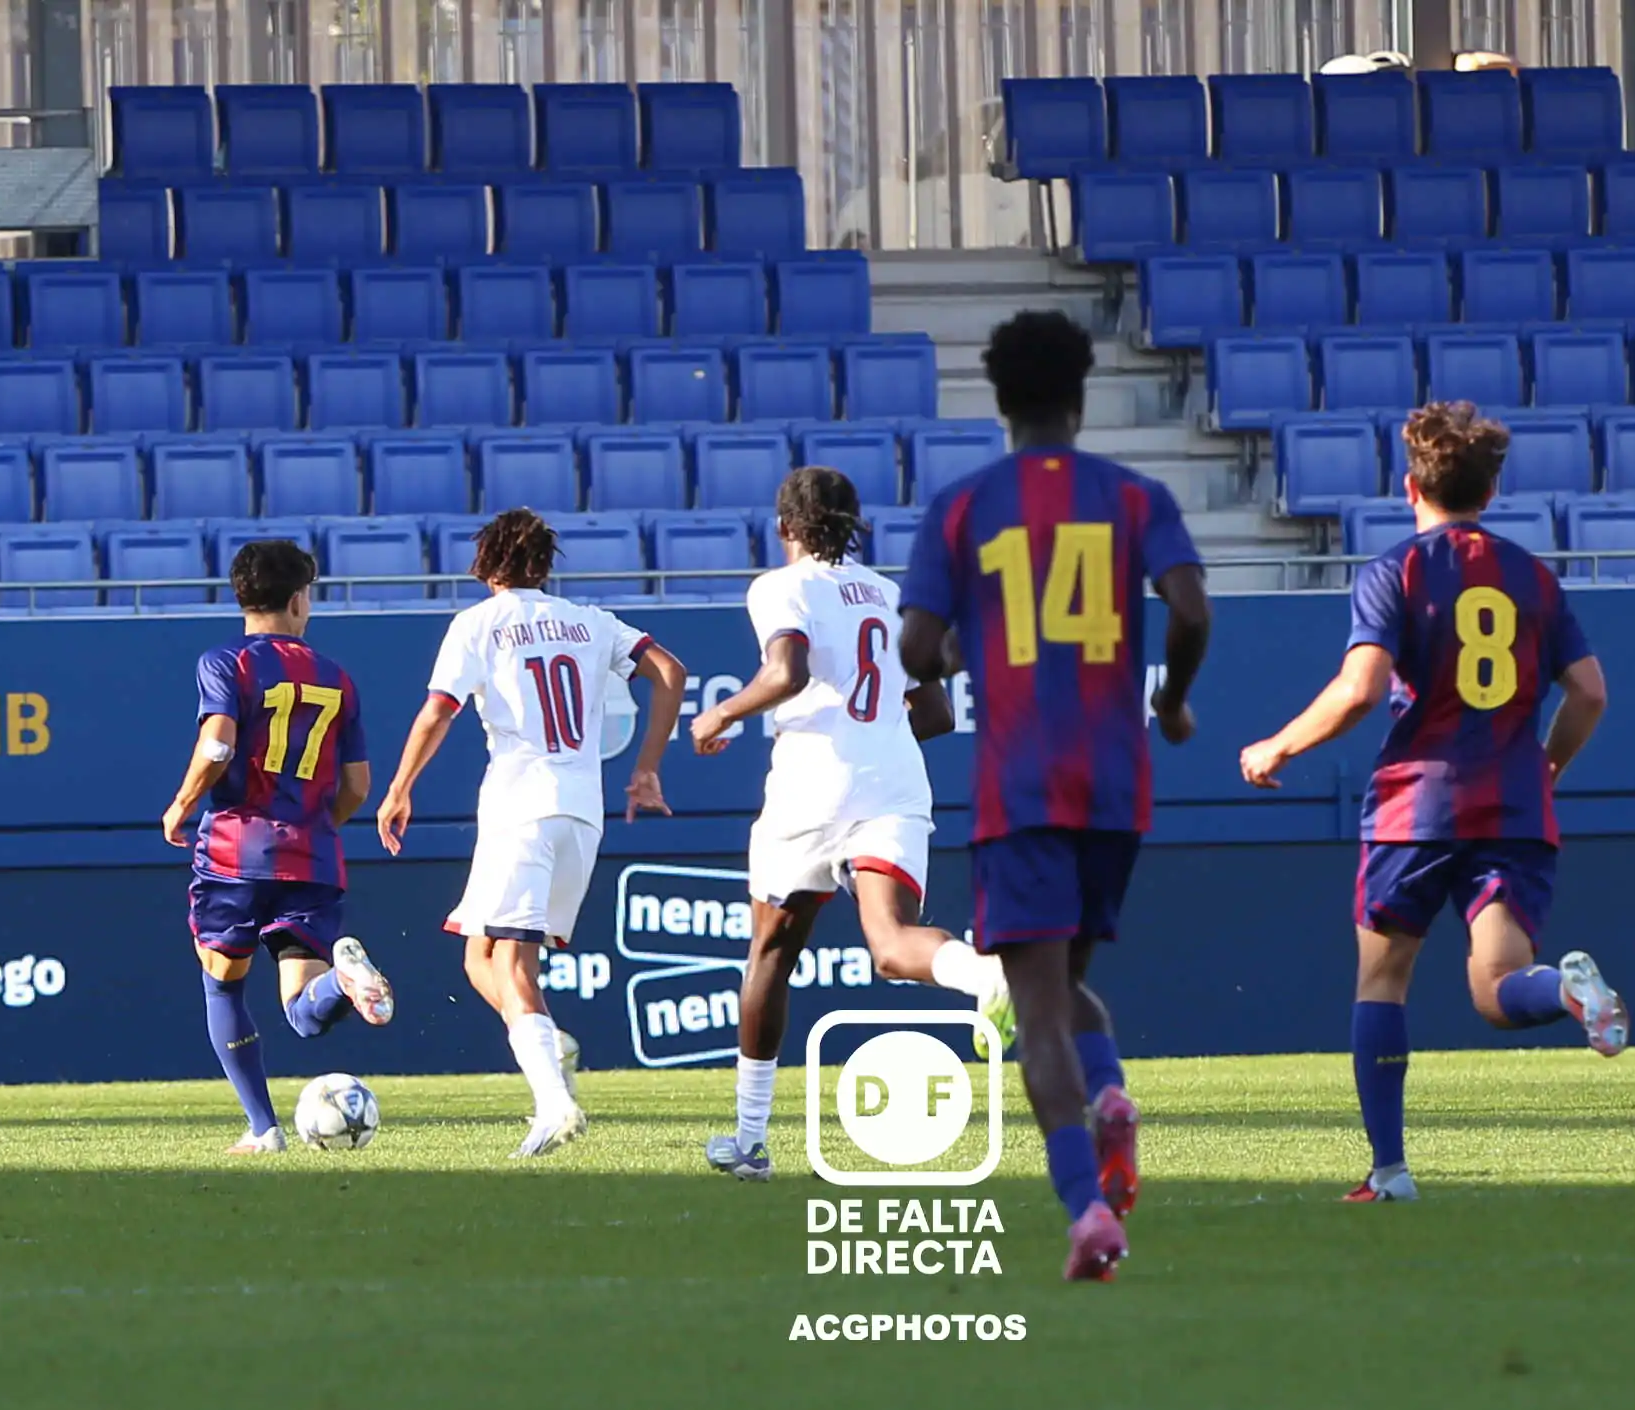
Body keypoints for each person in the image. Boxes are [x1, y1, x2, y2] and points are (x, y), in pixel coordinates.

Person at [1238, 402, 1626, 1205]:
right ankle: (1564, 990)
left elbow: (1361, 689)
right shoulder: (1531, 576)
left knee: (1381, 984)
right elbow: (1588, 692)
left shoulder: (1396, 572)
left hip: (1414, 808)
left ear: (1410, 485)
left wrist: (1277, 745)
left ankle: (1389, 1172)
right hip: (1513, 806)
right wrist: (1545, 764)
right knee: (1498, 989)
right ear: (1488, 490)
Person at [898, 311, 1212, 1281]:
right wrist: (1174, 701)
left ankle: (1085, 1210)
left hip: (1019, 784)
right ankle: (1110, 1095)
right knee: (1067, 990)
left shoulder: (961, 507)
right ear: (1082, 396)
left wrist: (954, 649)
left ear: (997, 401)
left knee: (1037, 1011)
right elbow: (1191, 607)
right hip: (1116, 783)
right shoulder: (1133, 496)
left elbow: (915, 648)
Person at [691, 466, 1015, 1183]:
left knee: (771, 953)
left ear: (784, 527)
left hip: (812, 785)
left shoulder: (781, 586)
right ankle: (982, 971)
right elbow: (935, 714)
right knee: (892, 945)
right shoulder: (893, 596)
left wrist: (719, 713)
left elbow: (787, 674)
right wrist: (874, 739)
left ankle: (747, 1140)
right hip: (893, 785)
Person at [376, 509, 687, 1159]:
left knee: (509, 961)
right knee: (480, 958)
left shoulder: (479, 624)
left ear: (484, 564)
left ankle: (554, 1103)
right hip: (582, 812)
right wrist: (647, 767)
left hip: (520, 806)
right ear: (545, 565)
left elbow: (439, 710)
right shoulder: (591, 623)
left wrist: (401, 786)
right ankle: (550, 1041)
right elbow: (671, 671)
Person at [161, 540, 395, 1155]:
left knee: (224, 988)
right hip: (312, 856)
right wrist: (317, 828)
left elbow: (217, 744)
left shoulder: (227, 662)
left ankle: (263, 1129)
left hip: (236, 851)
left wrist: (183, 804)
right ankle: (342, 984)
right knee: (302, 1009)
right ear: (298, 599)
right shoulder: (336, 677)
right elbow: (358, 786)